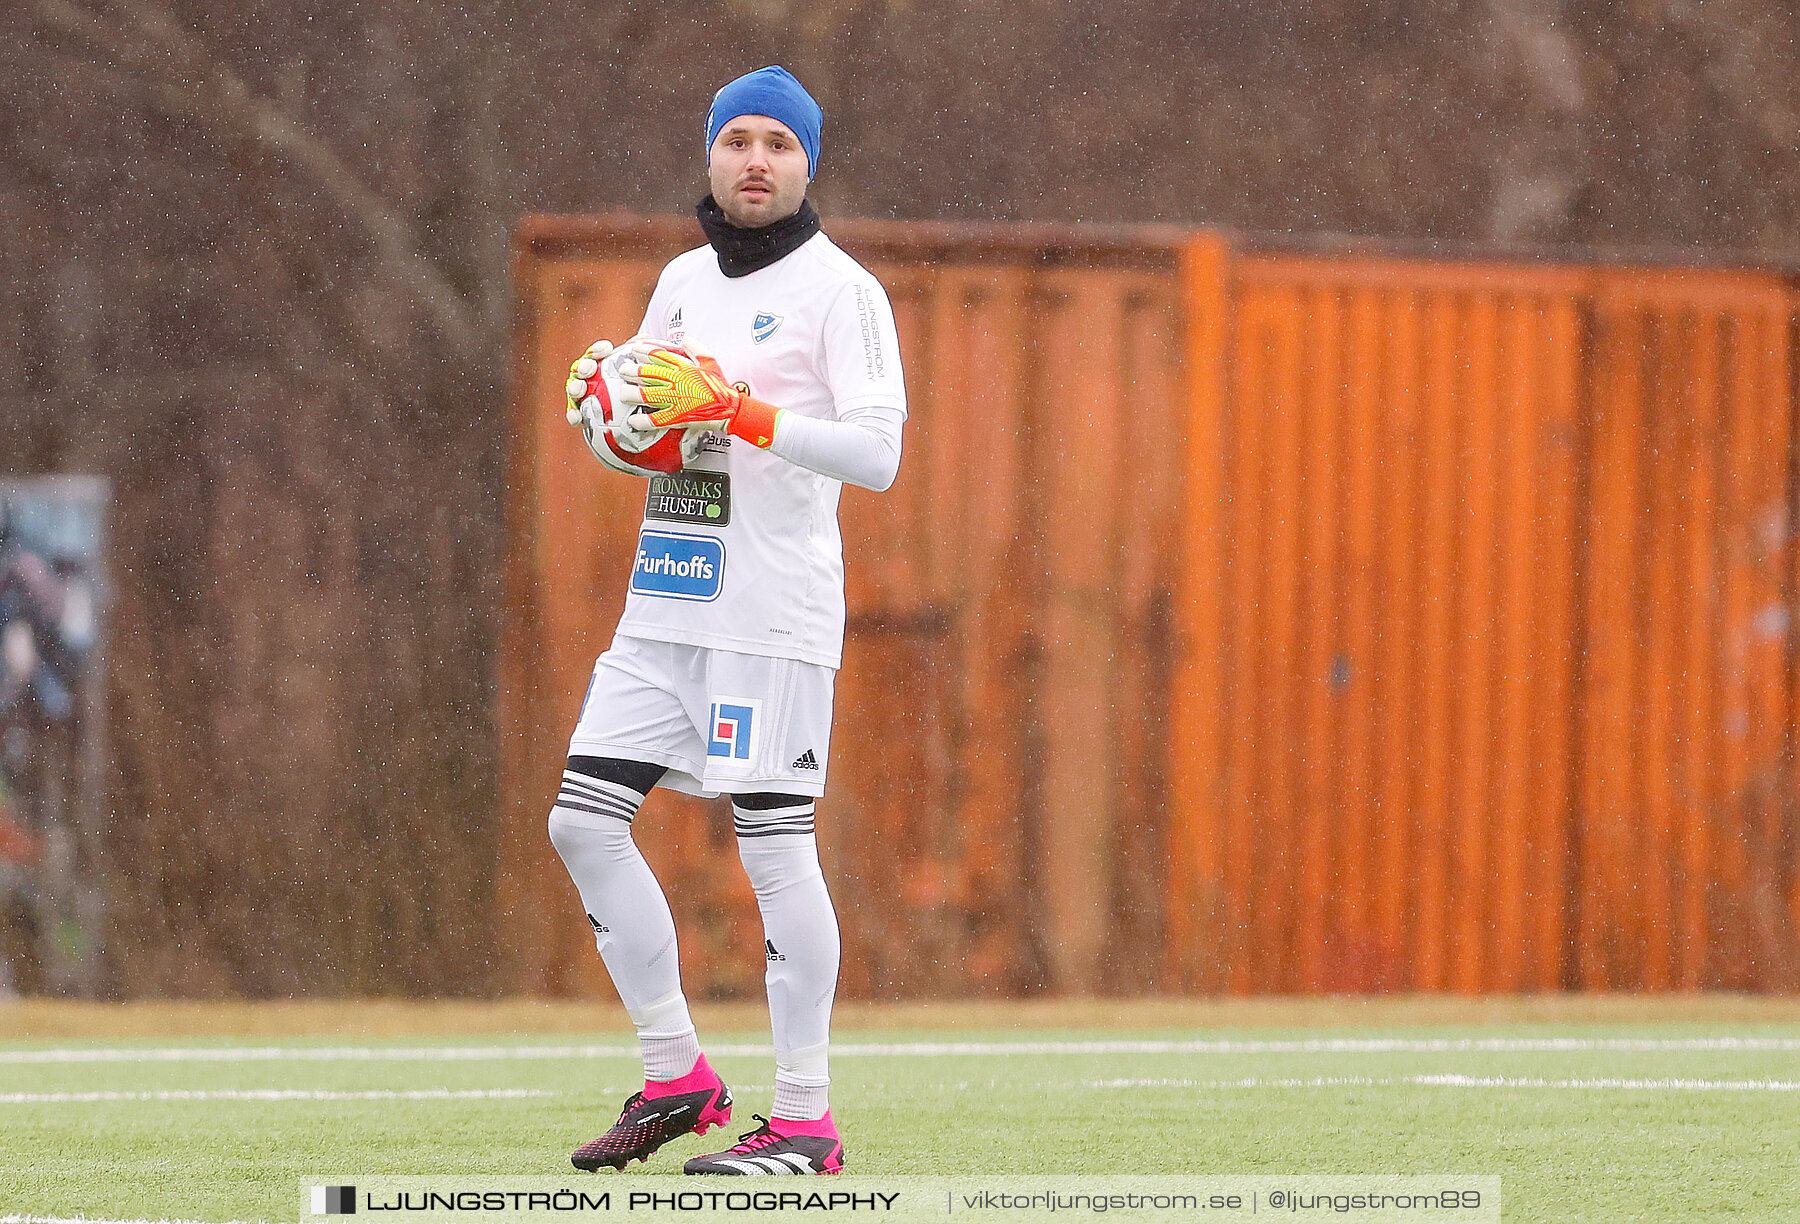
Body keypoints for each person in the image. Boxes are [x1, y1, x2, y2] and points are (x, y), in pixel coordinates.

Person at [549, 66, 907, 1177]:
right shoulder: (680, 281)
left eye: (779, 145)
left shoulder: (839, 291)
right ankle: (679, 1078)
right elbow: (659, 431)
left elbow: (878, 454)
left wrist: (744, 411)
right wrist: (605, 417)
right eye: (738, 140)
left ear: (809, 165)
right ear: (710, 155)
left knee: (773, 847)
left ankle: (805, 1120)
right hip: (666, 603)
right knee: (581, 824)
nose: (757, 160)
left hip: (770, 615)